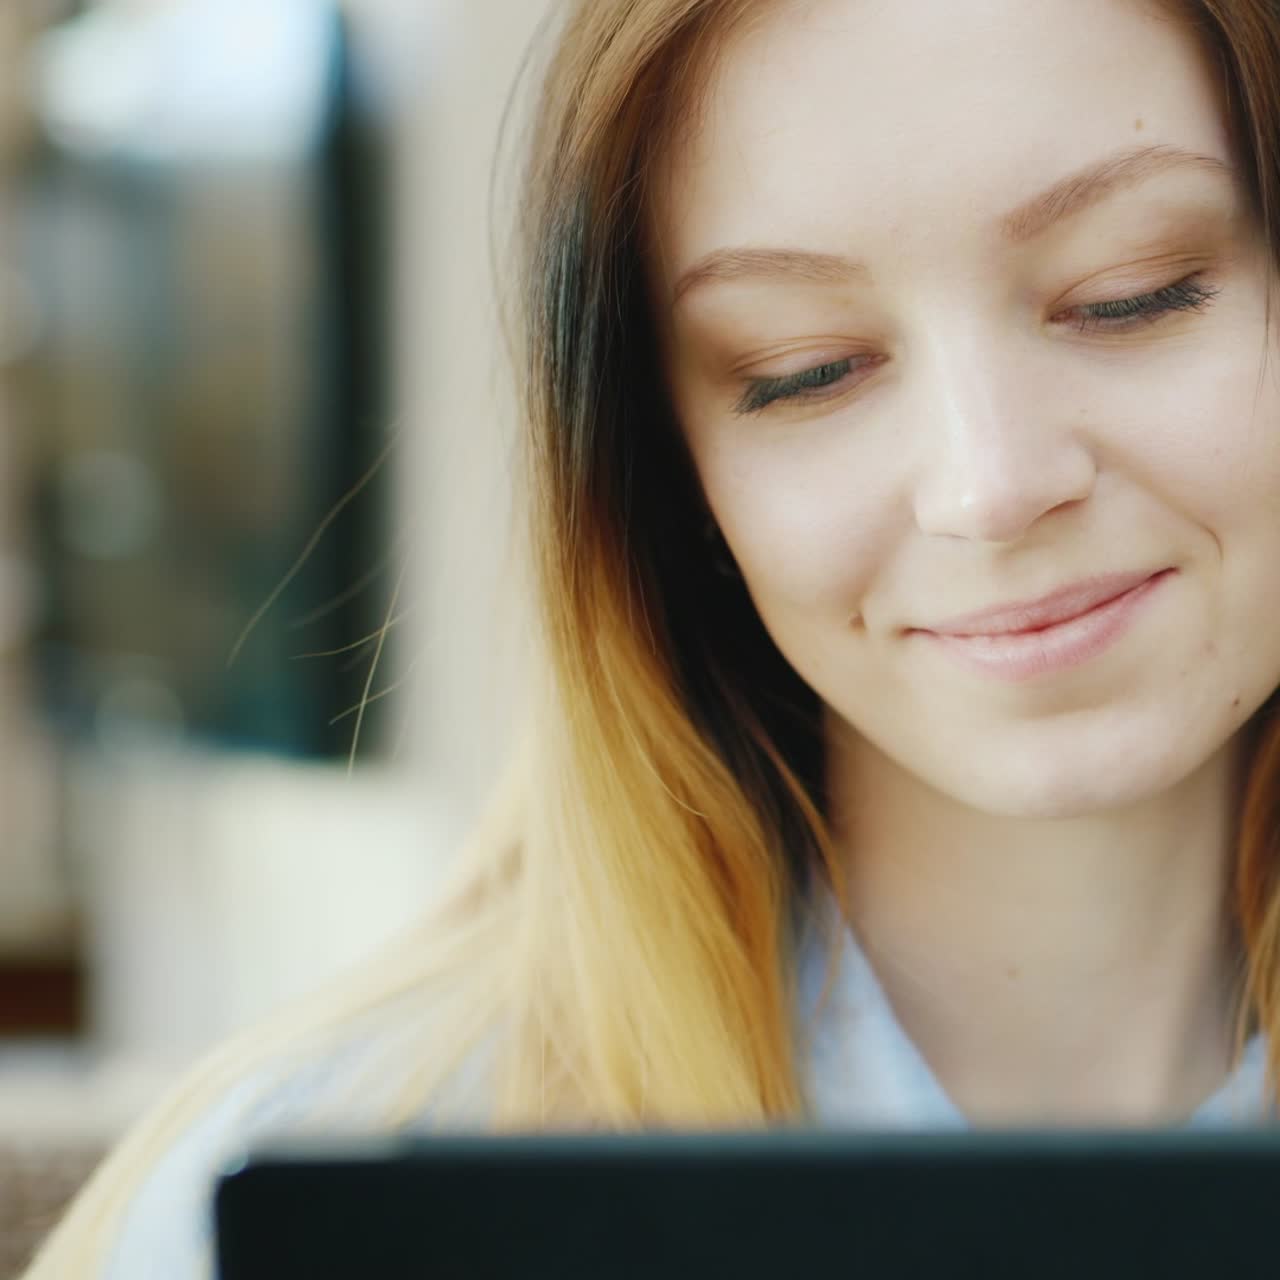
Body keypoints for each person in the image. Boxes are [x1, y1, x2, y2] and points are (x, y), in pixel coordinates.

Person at [21, 0, 1280, 1274]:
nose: (988, 487)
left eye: (1133, 295)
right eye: (805, 369)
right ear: (673, 482)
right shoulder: (322, 1179)